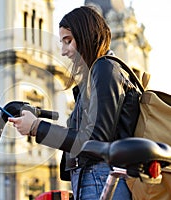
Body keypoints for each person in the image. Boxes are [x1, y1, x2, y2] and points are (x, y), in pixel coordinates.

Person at [9, 6, 141, 200]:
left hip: (100, 177)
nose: (63, 51)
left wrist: (37, 128)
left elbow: (96, 140)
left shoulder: (105, 68)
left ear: (86, 35)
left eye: (68, 41)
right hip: (92, 178)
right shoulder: (94, 76)